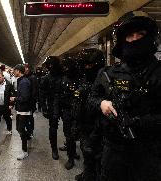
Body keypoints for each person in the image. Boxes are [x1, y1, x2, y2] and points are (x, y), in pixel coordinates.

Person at [89, 13, 161, 181]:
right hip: (113, 152)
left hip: (150, 153)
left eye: (140, 34)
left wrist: (140, 122)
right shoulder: (108, 73)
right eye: (130, 35)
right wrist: (102, 103)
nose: (135, 39)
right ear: (122, 40)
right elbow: (92, 98)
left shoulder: (158, 73)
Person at [73, 49, 105, 181]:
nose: (87, 68)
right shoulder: (83, 80)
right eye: (85, 65)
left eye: (90, 65)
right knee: (86, 151)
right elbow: (77, 101)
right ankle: (88, 173)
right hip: (84, 122)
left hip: (97, 126)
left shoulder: (104, 81)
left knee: (97, 155)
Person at [54, 55, 81, 168]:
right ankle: (71, 157)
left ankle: (73, 152)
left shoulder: (80, 79)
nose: (65, 69)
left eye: (67, 66)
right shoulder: (63, 80)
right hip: (67, 111)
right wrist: (57, 112)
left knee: (77, 134)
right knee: (68, 134)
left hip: (79, 111)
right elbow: (58, 96)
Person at [40, 56, 62, 160]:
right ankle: (54, 149)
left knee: (69, 129)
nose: (50, 67)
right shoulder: (46, 79)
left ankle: (70, 148)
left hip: (64, 105)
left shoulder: (63, 76)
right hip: (53, 106)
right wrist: (44, 108)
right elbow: (42, 95)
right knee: (53, 129)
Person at [10, 64, 31, 160]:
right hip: (21, 109)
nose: (13, 72)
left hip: (24, 110)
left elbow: (25, 97)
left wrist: (15, 98)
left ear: (18, 71)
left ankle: (24, 151)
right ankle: (27, 136)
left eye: (14, 70)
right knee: (19, 129)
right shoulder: (22, 81)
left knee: (20, 129)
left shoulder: (24, 82)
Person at [24, 63, 38, 138]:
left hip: (30, 102)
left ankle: (30, 132)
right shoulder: (25, 77)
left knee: (30, 117)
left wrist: (32, 101)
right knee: (26, 117)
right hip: (25, 102)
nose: (25, 69)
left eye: (26, 68)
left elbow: (34, 91)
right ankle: (28, 131)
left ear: (28, 69)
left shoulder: (33, 78)